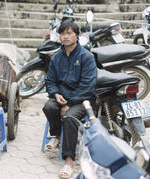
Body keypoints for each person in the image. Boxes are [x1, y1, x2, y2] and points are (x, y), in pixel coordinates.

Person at [42, 19, 97, 179]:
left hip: (82, 99)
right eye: (62, 33)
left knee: (69, 117)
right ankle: (58, 135)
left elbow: (88, 86)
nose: (65, 37)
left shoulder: (86, 57)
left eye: (69, 33)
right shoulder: (56, 57)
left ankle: (69, 161)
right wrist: (56, 94)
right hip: (62, 96)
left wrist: (70, 103)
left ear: (76, 35)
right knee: (49, 107)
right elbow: (50, 81)